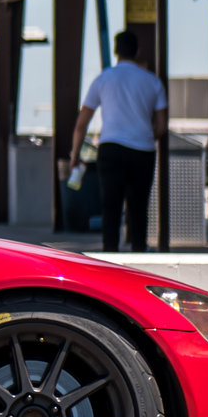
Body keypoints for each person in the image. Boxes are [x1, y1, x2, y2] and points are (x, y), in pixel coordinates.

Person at [67, 29, 166, 253]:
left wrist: (75, 155)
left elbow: (82, 123)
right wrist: (145, 135)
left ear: (116, 51)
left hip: (111, 148)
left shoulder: (103, 79)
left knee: (110, 205)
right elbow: (161, 127)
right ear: (137, 51)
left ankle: (110, 253)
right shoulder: (153, 82)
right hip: (143, 150)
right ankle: (139, 253)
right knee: (139, 207)